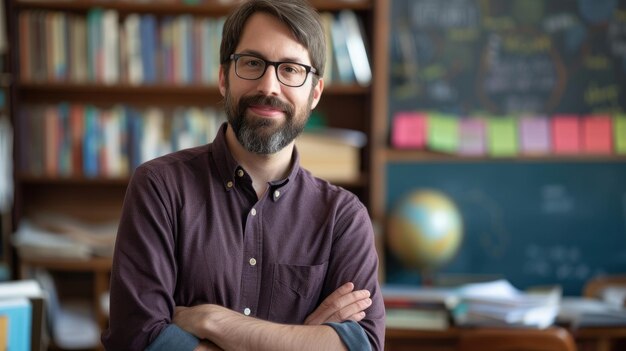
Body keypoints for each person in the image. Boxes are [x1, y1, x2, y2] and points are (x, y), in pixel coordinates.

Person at [101, 0, 385, 349]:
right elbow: (138, 341)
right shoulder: (159, 188)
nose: (269, 86)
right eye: (252, 63)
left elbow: (363, 345)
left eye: (291, 69)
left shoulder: (343, 218)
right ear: (224, 78)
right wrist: (304, 340)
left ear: (315, 92)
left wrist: (213, 321)